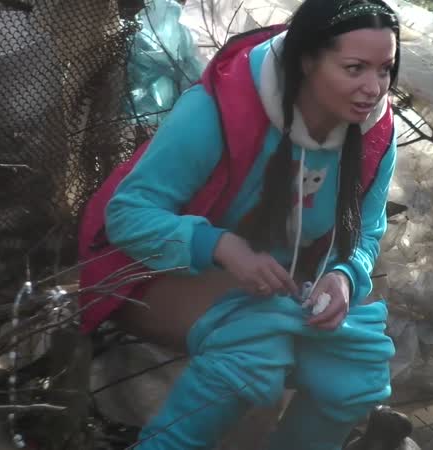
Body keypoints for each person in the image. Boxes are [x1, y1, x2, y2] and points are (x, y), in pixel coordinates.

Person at [77, 0, 401, 448]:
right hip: (152, 267)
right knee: (252, 346)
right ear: (306, 60)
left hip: (270, 284)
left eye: (385, 69)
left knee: (354, 371)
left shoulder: (375, 135)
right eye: (354, 68)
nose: (373, 88)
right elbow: (128, 215)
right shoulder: (222, 107)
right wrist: (222, 247)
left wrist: (345, 275)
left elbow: (365, 231)